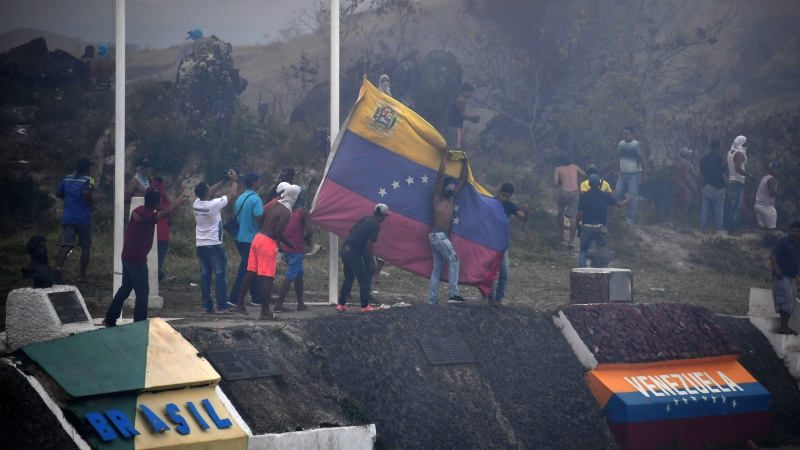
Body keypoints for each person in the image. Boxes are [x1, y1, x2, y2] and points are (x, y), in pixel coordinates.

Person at [103, 188, 187, 327]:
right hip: (137, 258)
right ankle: (139, 324)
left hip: (127, 255)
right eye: (159, 202)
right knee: (142, 292)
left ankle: (110, 318)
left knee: (125, 287)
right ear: (155, 204)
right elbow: (168, 211)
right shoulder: (148, 216)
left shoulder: (138, 211)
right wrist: (182, 195)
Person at [233, 184, 301, 319]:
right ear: (295, 197)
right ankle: (265, 311)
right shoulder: (286, 212)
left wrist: (269, 234)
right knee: (267, 278)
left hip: (258, 238)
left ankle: (239, 304)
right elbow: (278, 232)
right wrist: (288, 244)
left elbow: (262, 217)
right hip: (267, 243)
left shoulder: (275, 204)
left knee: (251, 272)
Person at [193, 171, 239, 314]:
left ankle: (207, 306)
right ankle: (222, 306)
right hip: (214, 245)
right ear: (207, 193)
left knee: (205, 276)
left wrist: (223, 180)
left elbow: (209, 191)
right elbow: (231, 195)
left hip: (200, 245)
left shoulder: (196, 203)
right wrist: (234, 181)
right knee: (220, 275)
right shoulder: (213, 205)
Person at [430, 151, 469, 305]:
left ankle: (432, 300)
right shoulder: (438, 197)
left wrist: (465, 163)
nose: (452, 188)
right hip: (438, 235)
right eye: (450, 186)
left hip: (440, 236)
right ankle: (453, 294)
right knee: (454, 261)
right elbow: (440, 177)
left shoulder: (451, 198)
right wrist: (444, 156)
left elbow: (462, 181)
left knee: (437, 270)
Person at [337, 204, 389, 312]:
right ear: (384, 216)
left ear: (374, 212)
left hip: (345, 248)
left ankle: (341, 304)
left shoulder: (365, 218)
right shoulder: (375, 225)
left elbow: (351, 230)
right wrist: (372, 263)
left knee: (349, 277)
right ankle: (365, 306)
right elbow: (369, 245)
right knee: (364, 279)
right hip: (353, 252)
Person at [576, 174, 633, 268]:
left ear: (589, 184)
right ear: (599, 184)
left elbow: (579, 213)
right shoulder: (605, 195)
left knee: (583, 250)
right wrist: (628, 199)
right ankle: (602, 271)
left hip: (586, 227)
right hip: (600, 228)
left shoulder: (584, 196)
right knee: (603, 251)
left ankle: (582, 270)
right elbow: (618, 204)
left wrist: (577, 225)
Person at [488, 183, 530, 307]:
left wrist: (527, 212)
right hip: (489, 242)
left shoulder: (510, 206)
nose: (505, 198)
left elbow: (524, 219)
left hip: (502, 242)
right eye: (503, 195)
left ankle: (499, 297)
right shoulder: (491, 202)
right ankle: (491, 297)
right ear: (500, 192)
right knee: (491, 270)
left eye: (507, 196)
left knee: (504, 271)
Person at [55, 157, 95, 283]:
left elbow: (58, 193)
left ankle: (58, 267)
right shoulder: (89, 180)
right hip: (83, 219)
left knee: (66, 245)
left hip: (68, 217)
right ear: (88, 169)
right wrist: (91, 205)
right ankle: (82, 277)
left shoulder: (67, 178)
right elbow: (86, 193)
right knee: (85, 246)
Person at [229, 172, 265, 307]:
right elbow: (259, 219)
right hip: (251, 239)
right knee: (245, 269)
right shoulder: (256, 199)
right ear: (254, 183)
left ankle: (256, 297)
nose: (260, 183)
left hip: (240, 237)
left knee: (252, 268)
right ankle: (234, 297)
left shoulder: (240, 198)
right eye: (258, 181)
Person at [274, 187, 313, 312]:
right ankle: (279, 304)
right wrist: (308, 237)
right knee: (290, 276)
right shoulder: (303, 212)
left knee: (299, 275)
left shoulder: (287, 211)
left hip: (287, 247)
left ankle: (300, 303)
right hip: (297, 249)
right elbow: (310, 231)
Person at [769, 221, 800, 335]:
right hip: (781, 275)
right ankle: (783, 326)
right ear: (789, 231)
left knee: (791, 303)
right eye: (792, 231)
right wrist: (777, 270)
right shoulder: (783, 242)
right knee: (785, 300)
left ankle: (786, 326)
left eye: (797, 231)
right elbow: (773, 255)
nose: (794, 233)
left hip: (792, 276)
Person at [615, 126, 648, 225]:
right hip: (622, 174)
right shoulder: (621, 144)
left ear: (632, 134)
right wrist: (615, 171)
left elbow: (643, 160)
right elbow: (618, 158)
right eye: (624, 134)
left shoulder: (636, 145)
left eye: (627, 134)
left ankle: (630, 219)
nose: (625, 136)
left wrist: (644, 175)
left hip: (634, 174)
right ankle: (629, 205)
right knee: (618, 192)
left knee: (632, 196)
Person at [146, 177, 176, 284]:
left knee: (147, 256)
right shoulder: (164, 196)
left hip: (148, 229)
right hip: (162, 230)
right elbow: (170, 213)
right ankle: (155, 279)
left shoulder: (148, 193)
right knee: (159, 258)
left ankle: (156, 277)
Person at [727, 136, 759, 236]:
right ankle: (732, 229)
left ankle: (735, 228)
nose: (747, 144)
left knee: (738, 206)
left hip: (732, 181)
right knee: (735, 207)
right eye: (746, 143)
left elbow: (725, 165)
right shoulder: (739, 153)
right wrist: (749, 176)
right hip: (737, 182)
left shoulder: (730, 152)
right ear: (742, 143)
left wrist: (730, 174)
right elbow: (737, 168)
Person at [553, 152, 586, 248]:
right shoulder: (575, 167)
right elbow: (585, 174)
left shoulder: (558, 169)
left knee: (560, 212)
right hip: (575, 193)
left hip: (564, 192)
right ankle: (571, 242)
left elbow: (555, 184)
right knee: (573, 218)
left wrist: (559, 181)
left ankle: (562, 234)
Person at [699, 139, 727, 232]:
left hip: (707, 186)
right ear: (718, 147)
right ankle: (719, 230)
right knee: (718, 210)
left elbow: (702, 174)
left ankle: (703, 228)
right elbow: (726, 172)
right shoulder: (720, 159)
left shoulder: (703, 159)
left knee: (705, 209)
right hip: (718, 187)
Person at [672, 147, 699, 230]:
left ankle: (674, 224)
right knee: (681, 207)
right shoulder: (686, 164)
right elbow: (685, 179)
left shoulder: (676, 163)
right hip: (681, 188)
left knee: (676, 207)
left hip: (674, 187)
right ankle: (680, 226)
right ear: (687, 155)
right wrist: (693, 190)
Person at [445, 83, 480, 149]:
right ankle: (452, 158)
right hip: (455, 126)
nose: (470, 94)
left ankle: (462, 158)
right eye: (470, 92)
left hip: (456, 126)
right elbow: (463, 115)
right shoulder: (462, 100)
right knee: (457, 146)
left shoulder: (458, 97)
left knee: (464, 145)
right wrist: (474, 117)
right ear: (466, 91)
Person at [755, 162, 780, 230]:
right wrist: (778, 194)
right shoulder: (772, 179)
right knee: (772, 229)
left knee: (762, 227)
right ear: (771, 169)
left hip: (758, 205)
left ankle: (761, 240)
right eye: (775, 169)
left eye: (778, 169)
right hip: (766, 207)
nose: (777, 171)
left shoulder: (765, 178)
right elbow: (772, 192)